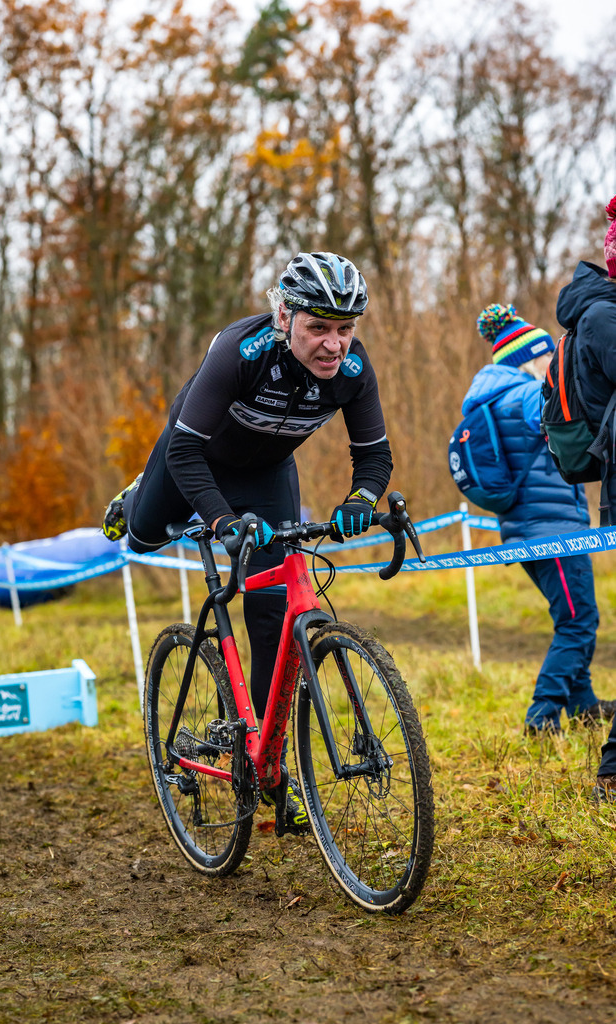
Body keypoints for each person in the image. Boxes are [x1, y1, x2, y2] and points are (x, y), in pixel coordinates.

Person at [103, 252, 393, 830]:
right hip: (194, 461)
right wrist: (219, 519)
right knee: (141, 538)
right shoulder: (241, 352)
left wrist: (362, 500)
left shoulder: (354, 372)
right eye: (318, 328)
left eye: (345, 329)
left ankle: (266, 769)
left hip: (266, 474)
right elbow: (186, 451)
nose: (334, 345)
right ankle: (136, 497)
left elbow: (374, 457)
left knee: (271, 620)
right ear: (284, 317)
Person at [463, 303, 614, 735]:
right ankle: (542, 714)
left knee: (570, 615)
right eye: (548, 355)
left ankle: (581, 703)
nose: (554, 363)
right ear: (529, 358)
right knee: (579, 620)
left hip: (526, 529)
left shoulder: (489, 398)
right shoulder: (530, 395)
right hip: (553, 529)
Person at [555, 196, 616, 798]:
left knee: (580, 619)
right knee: (576, 620)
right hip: (567, 508)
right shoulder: (601, 317)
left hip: (569, 510)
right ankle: (611, 770)